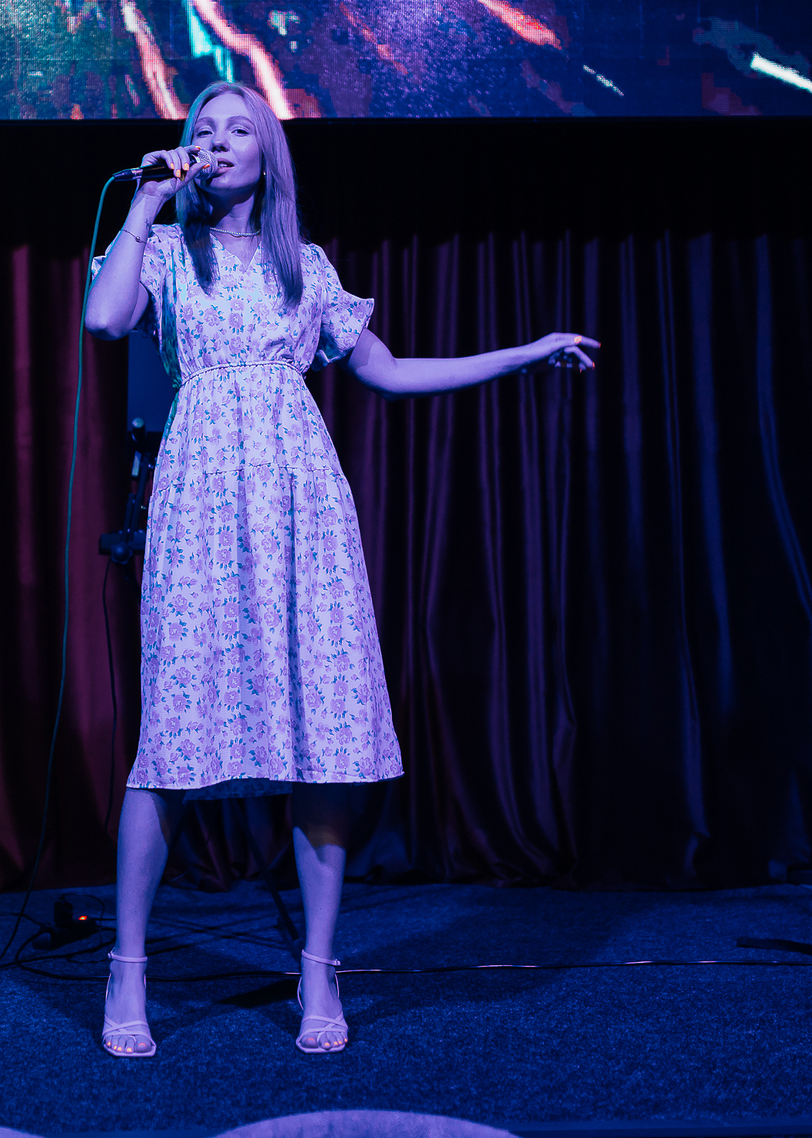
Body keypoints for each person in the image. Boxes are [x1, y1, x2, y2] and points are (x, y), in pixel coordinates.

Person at [82, 81, 599, 1057]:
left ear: (268, 156)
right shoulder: (165, 251)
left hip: (302, 509)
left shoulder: (306, 268)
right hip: (202, 504)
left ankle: (320, 969)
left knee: (323, 737)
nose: (217, 141)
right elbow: (106, 322)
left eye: (239, 129)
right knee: (172, 739)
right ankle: (129, 966)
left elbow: (388, 371)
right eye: (203, 129)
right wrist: (146, 200)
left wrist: (524, 353)